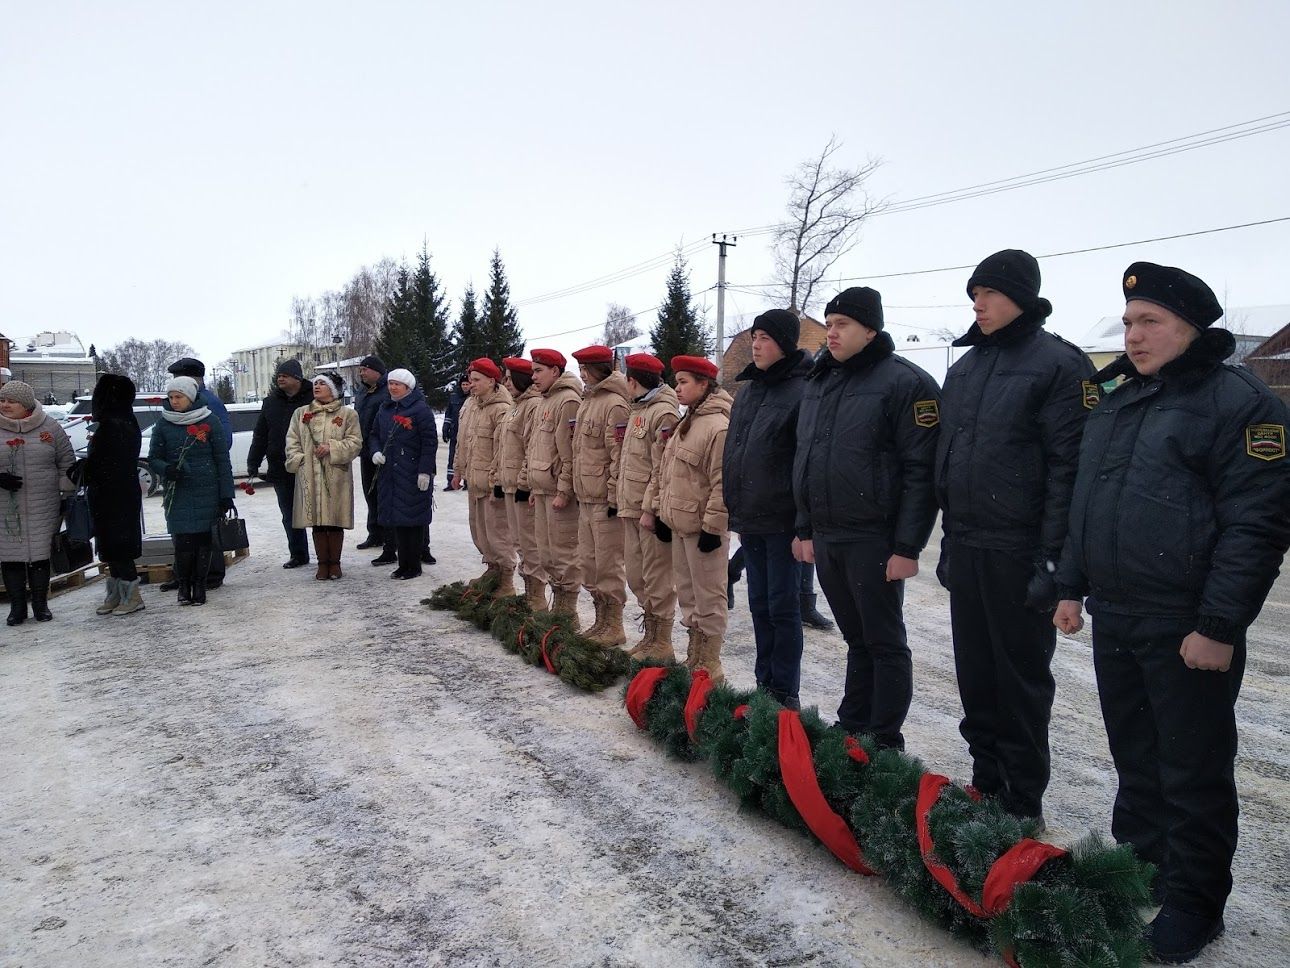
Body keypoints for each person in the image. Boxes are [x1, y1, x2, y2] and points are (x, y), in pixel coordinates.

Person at [1053, 263, 1289, 964]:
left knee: (1192, 768)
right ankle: (1140, 867)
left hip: (1187, 624)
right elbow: (1086, 501)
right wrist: (1070, 586)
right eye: (1127, 322)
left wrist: (1218, 627)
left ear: (1192, 327)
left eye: (1149, 321)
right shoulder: (1121, 396)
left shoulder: (1241, 403)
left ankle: (1194, 903)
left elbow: (1258, 526)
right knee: (1136, 758)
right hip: (1118, 612)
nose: (1133, 334)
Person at [934, 249, 1095, 826]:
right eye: (974, 293)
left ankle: (1022, 803)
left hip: (1021, 551)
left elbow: (1067, 474)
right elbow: (948, 462)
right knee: (975, 673)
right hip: (970, 545)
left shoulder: (1058, 366)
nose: (978, 304)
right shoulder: (966, 368)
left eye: (990, 293)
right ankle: (985, 781)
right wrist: (951, 542)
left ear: (1022, 297)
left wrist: (1051, 562)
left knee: (1020, 681)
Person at [792, 287, 940, 751]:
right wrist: (804, 527)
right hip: (830, 533)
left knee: (884, 641)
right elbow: (806, 457)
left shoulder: (905, 383)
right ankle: (853, 722)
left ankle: (883, 737)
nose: (831, 332)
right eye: (829, 323)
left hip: (875, 537)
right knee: (856, 638)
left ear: (871, 329)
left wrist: (907, 547)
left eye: (843, 324)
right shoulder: (820, 381)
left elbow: (921, 471)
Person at [724, 309, 813, 708]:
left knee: (783, 606)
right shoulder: (750, 391)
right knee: (759, 605)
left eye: (764, 337)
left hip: (784, 522)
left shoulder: (802, 391)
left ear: (785, 343)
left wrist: (802, 524)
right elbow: (737, 453)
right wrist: (737, 512)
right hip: (753, 518)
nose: (756, 344)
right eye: (754, 336)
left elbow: (804, 462)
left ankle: (785, 692)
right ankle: (765, 686)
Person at [644, 356, 732, 680]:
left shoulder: (717, 427)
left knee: (709, 598)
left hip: (702, 530)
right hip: (680, 525)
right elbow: (668, 473)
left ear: (704, 384)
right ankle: (694, 658)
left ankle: (709, 665)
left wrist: (713, 526)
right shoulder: (687, 422)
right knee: (688, 596)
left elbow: (723, 481)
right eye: (676, 381)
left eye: (683, 382)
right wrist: (662, 513)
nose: (677, 388)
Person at [614, 353, 679, 660]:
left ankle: (661, 642)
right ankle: (650, 636)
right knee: (637, 576)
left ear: (633, 381)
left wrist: (651, 508)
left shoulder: (663, 413)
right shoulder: (637, 408)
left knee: (657, 577)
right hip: (631, 506)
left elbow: (663, 468)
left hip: (648, 511)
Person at [148, 376, 235, 605]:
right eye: (171, 397)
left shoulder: (210, 421)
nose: (174, 401)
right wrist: (168, 470)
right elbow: (154, 458)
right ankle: (184, 586)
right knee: (183, 541)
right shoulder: (163, 424)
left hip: (207, 489)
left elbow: (222, 461)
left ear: (191, 397)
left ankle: (200, 586)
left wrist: (226, 494)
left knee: (203, 541)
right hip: (179, 491)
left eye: (179, 397)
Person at [0, 381, 75, 624]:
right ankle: (17, 608)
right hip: (5, 506)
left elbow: (66, 461)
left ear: (26, 404)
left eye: (11, 401)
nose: (5, 405)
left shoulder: (50, 427)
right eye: (2, 400)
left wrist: (65, 492)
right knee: (10, 556)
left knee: (41, 555)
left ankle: (41, 606)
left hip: (44, 502)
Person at [570, 344, 631, 646]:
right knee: (588, 563)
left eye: (586, 369)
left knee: (608, 564)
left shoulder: (614, 404)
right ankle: (600, 620)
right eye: (580, 370)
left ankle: (614, 624)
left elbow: (617, 456)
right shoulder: (587, 401)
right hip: (586, 496)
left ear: (600, 369)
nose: (582, 375)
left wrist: (613, 498)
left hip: (604, 501)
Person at [284, 372, 364, 580]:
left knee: (334, 519)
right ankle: (322, 564)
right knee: (318, 521)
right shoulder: (301, 413)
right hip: (310, 475)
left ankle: (335, 564)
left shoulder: (348, 414)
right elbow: (292, 440)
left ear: (334, 389)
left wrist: (333, 448)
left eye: (322, 383)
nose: (317, 386)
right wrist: (300, 459)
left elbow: (355, 442)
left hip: (337, 475)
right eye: (316, 383)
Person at [526, 349, 584, 620]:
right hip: (543, 490)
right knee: (546, 554)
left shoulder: (567, 401)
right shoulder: (545, 401)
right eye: (533, 370)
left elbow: (570, 453)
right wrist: (534, 486)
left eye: (539, 371)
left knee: (564, 555)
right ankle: (557, 609)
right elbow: (537, 448)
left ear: (555, 372)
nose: (533, 376)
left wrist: (564, 489)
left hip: (559, 494)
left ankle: (566, 613)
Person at [81, 373, 145, 616]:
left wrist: (87, 468)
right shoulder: (121, 421)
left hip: (115, 492)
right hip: (112, 492)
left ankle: (131, 595)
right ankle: (117, 592)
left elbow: (111, 461)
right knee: (112, 545)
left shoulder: (114, 424)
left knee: (119, 545)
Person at [452, 358, 516, 596]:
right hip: (473, 480)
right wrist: (458, 470)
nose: (472, 384)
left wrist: (496, 482)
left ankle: (506, 580)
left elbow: (504, 450)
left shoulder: (501, 408)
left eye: (477, 380)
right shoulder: (470, 405)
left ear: (492, 381)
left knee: (498, 534)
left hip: (491, 485)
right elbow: (462, 441)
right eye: (471, 379)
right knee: (480, 532)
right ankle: (492, 570)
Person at [167, 356, 230, 589]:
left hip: (204, 476)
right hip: (180, 477)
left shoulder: (209, 403)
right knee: (181, 528)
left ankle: (210, 574)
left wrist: (201, 459)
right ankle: (184, 574)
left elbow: (223, 440)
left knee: (206, 528)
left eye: (178, 378)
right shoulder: (174, 402)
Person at [371, 368, 437, 579]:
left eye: (397, 384)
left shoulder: (420, 410)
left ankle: (414, 565)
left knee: (414, 521)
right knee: (398, 520)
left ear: (408, 387)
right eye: (390, 383)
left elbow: (429, 443)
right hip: (390, 473)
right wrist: (375, 452)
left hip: (412, 473)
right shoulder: (385, 408)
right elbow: (374, 434)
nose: (392, 387)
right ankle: (403, 564)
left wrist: (425, 471)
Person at [248, 359, 313, 569]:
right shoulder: (271, 402)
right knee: (289, 513)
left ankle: (326, 555)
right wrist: (253, 461)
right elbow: (260, 434)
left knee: (318, 512)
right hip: (281, 466)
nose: (280, 378)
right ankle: (298, 554)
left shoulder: (314, 399)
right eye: (279, 376)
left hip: (310, 465)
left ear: (297, 378)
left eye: (285, 375)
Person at [496, 357, 548, 610]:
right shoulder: (516, 406)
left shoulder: (533, 405)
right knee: (519, 542)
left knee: (530, 544)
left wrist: (525, 482)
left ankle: (537, 597)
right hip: (510, 484)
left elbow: (532, 448)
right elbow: (505, 448)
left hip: (522, 486)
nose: (505, 382)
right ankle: (529, 593)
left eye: (508, 378)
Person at [353, 355, 391, 552]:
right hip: (365, 450)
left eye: (365, 369)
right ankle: (374, 533)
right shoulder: (362, 391)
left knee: (384, 493)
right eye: (360, 369)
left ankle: (389, 534)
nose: (361, 372)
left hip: (384, 450)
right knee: (370, 492)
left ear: (377, 371)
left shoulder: (388, 390)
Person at [442, 375, 468, 492]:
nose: (465, 387)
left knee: (468, 458)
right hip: (455, 432)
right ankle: (451, 481)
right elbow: (449, 414)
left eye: (467, 384)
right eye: (463, 384)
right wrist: (445, 427)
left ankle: (467, 481)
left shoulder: (474, 398)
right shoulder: (454, 397)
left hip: (468, 433)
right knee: (452, 457)